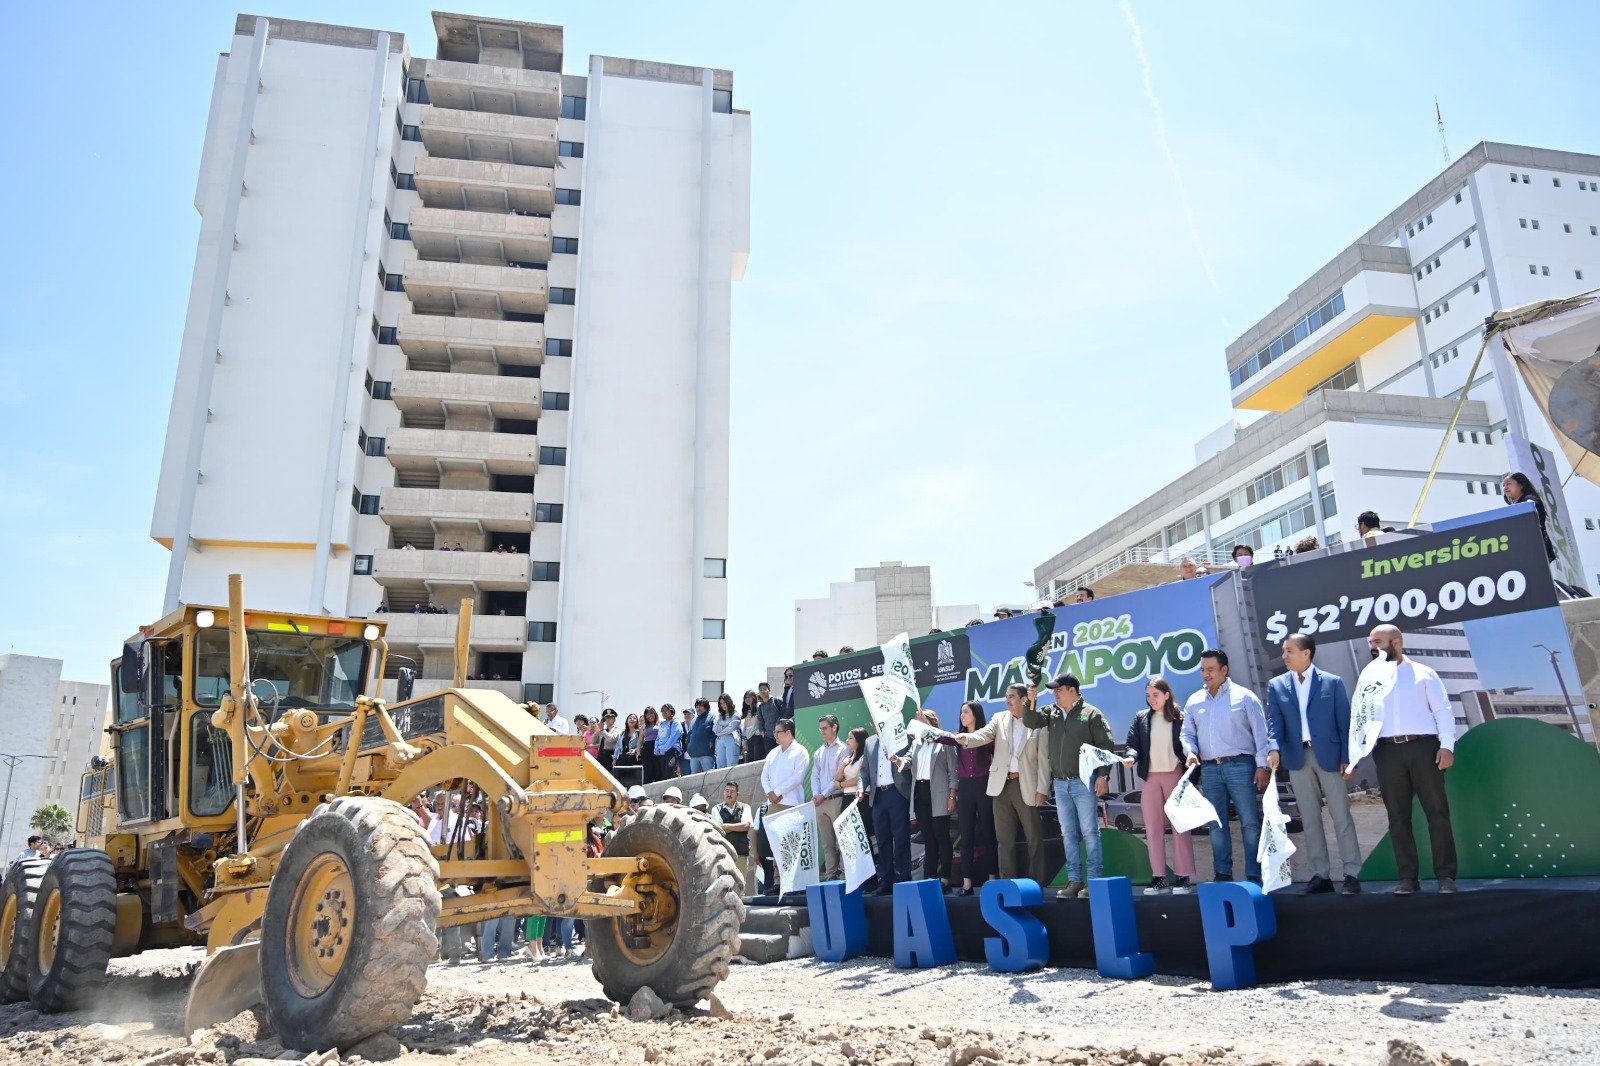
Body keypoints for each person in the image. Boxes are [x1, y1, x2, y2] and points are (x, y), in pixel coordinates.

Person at [1265, 634, 1361, 896]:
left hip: (1330, 756)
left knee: (1341, 816)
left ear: (1306, 653)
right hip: (1297, 758)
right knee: (1309, 819)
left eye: (1289, 651)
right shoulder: (1276, 685)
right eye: (1283, 651)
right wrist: (1273, 747)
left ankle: (1352, 873)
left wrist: (1347, 758)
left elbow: (1345, 722)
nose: (1283, 655)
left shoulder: (1332, 682)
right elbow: (1274, 721)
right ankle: (1321, 875)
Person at [1368, 624, 1458, 895]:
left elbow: (1442, 710)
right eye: (1370, 642)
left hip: (1424, 748)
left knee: (1437, 813)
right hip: (1387, 752)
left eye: (1378, 641)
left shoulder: (1423, 673)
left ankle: (1446, 876)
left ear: (1396, 642)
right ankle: (1407, 878)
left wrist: (1447, 746)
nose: (1372, 647)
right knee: (1397, 817)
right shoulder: (1368, 679)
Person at [1181, 648, 1272, 884]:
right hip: (1210, 770)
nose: (1205, 675)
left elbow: (1261, 734)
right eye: (1202, 670)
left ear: (1224, 669)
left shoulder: (1245, 697)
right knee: (1216, 823)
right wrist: (1190, 751)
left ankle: (1254, 873)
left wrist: (1262, 766)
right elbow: (1187, 734)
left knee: (1250, 822)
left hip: (1241, 766)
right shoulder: (1194, 701)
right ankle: (1222, 873)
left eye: (1210, 670)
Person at [1025, 674, 1116, 899]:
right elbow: (1030, 721)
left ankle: (1093, 881)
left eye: (1059, 689)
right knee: (1067, 833)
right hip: (1060, 783)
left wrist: (1103, 775)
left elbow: (1105, 745)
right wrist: (1031, 701)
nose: (1054, 693)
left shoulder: (1092, 714)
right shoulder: (1051, 712)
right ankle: (1075, 881)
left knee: (1090, 832)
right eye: (1054, 690)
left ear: (1073, 690)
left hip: (1084, 782)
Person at [950, 684, 1049, 885]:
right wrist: (966, 738)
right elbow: (983, 735)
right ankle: (1007, 884)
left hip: (1026, 783)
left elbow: (1045, 759)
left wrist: (1043, 789)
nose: (1007, 700)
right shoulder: (999, 718)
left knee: (1033, 838)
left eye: (1012, 696)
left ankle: (1037, 882)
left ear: (1023, 699)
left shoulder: (1039, 722)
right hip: (1001, 784)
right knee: (1004, 841)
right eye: (1006, 696)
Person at [1124, 677, 1195, 894]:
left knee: (1179, 828)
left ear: (1166, 695)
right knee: (1153, 829)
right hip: (1150, 778)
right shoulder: (1141, 718)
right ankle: (1159, 877)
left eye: (1155, 695)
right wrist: (1131, 758)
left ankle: (1183, 877)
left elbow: (1188, 742)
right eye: (1148, 695)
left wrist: (1192, 754)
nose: (1151, 699)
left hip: (1175, 776)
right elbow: (1133, 745)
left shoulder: (1179, 718)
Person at [934, 703, 995, 895]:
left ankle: (993, 879)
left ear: (976, 714)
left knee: (988, 834)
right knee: (966, 837)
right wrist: (923, 724)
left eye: (966, 712)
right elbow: (939, 737)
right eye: (960, 712)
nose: (962, 715)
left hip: (985, 786)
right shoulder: (957, 738)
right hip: (965, 789)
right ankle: (966, 884)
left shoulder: (987, 736)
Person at [860, 725, 914, 895]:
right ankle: (886, 881)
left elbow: (909, 762)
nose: (875, 724)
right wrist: (861, 787)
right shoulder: (869, 742)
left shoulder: (901, 737)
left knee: (901, 838)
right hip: (878, 797)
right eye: (872, 722)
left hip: (897, 793)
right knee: (882, 840)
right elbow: (864, 771)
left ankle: (904, 879)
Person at [908, 708, 957, 888]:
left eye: (921, 720)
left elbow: (953, 772)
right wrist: (897, 760)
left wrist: (952, 795)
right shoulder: (916, 744)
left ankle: (945, 878)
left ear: (931, 722)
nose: (918, 724)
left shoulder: (945, 741)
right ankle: (930, 878)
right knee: (928, 838)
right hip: (920, 793)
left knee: (941, 837)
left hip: (939, 793)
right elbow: (907, 762)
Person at [810, 714, 850, 883]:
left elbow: (838, 778)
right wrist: (816, 794)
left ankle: (844, 875)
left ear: (834, 727)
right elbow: (814, 775)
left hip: (836, 799)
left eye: (825, 728)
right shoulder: (819, 752)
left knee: (842, 840)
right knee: (827, 843)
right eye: (820, 728)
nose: (822, 731)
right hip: (820, 802)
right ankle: (830, 875)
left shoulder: (843, 749)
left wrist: (823, 794)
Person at [1502, 472, 1558, 563]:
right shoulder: (1514, 505)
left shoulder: (1530, 501)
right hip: (1524, 553)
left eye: (1509, 484)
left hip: (1538, 552)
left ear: (1521, 485)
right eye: (1504, 485)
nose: (1505, 488)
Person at [685, 698, 717, 775]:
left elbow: (715, 733)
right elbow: (689, 735)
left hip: (707, 754)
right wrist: (689, 747)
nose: (698, 708)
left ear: (706, 707)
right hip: (694, 756)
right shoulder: (694, 720)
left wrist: (711, 742)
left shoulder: (713, 717)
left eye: (700, 706)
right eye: (697, 706)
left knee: (709, 777)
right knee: (694, 779)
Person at [654, 704, 684, 779]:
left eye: (666, 710)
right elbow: (658, 738)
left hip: (671, 751)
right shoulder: (662, 724)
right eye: (663, 711)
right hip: (661, 753)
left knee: (670, 773)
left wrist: (663, 748)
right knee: (663, 774)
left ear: (671, 711)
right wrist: (656, 749)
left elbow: (674, 737)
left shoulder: (675, 722)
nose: (664, 713)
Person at [712, 693, 743, 768]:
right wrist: (725, 727)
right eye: (721, 703)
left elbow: (731, 728)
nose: (723, 705)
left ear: (729, 702)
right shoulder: (718, 716)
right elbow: (714, 729)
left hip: (732, 739)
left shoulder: (735, 714)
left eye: (725, 702)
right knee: (720, 764)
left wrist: (720, 730)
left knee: (731, 764)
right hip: (720, 741)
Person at [639, 707, 662, 783]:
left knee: (658, 769)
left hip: (658, 747)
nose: (649, 716)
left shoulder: (661, 723)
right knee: (648, 770)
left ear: (655, 713)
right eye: (647, 714)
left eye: (651, 713)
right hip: (647, 748)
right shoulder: (644, 726)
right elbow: (640, 740)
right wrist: (638, 751)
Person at [740, 689, 763, 764]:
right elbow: (745, 728)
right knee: (751, 761)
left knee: (757, 760)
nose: (748, 699)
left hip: (758, 737)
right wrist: (744, 744)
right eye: (746, 697)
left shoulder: (759, 707)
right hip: (749, 739)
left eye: (750, 697)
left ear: (754, 698)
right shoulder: (746, 711)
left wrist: (759, 731)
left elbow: (763, 721)